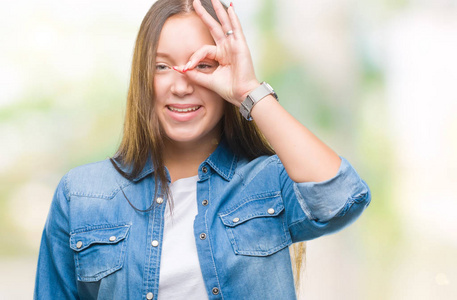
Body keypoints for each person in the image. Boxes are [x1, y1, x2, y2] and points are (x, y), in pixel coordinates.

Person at [34, 0, 371, 299]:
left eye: (202, 65)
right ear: (142, 77)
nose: (181, 86)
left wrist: (248, 91)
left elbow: (342, 197)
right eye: (162, 66)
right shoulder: (81, 195)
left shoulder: (268, 182)